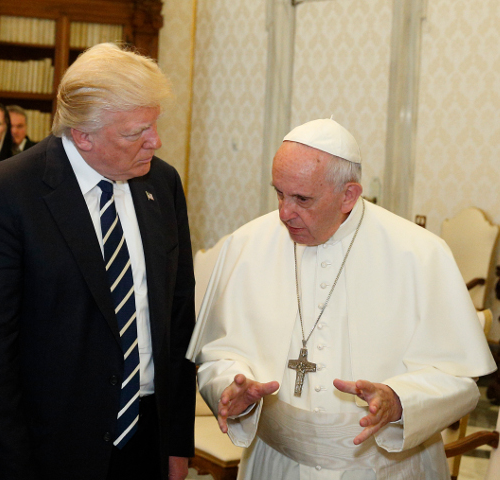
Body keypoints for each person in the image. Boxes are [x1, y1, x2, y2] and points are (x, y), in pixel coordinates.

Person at [187, 118, 497, 479]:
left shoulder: (419, 254)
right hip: (276, 465)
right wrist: (229, 388)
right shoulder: (246, 246)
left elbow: (460, 381)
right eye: (279, 193)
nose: (285, 213)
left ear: (348, 195)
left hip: (385, 468)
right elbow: (216, 355)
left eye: (302, 199)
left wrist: (400, 400)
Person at [0, 43, 196, 480]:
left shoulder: (162, 184)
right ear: (83, 134)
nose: (155, 142)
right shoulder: (5, 195)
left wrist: (176, 442)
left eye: (155, 125)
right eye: (135, 132)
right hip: (48, 447)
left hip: (145, 437)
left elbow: (178, 316)